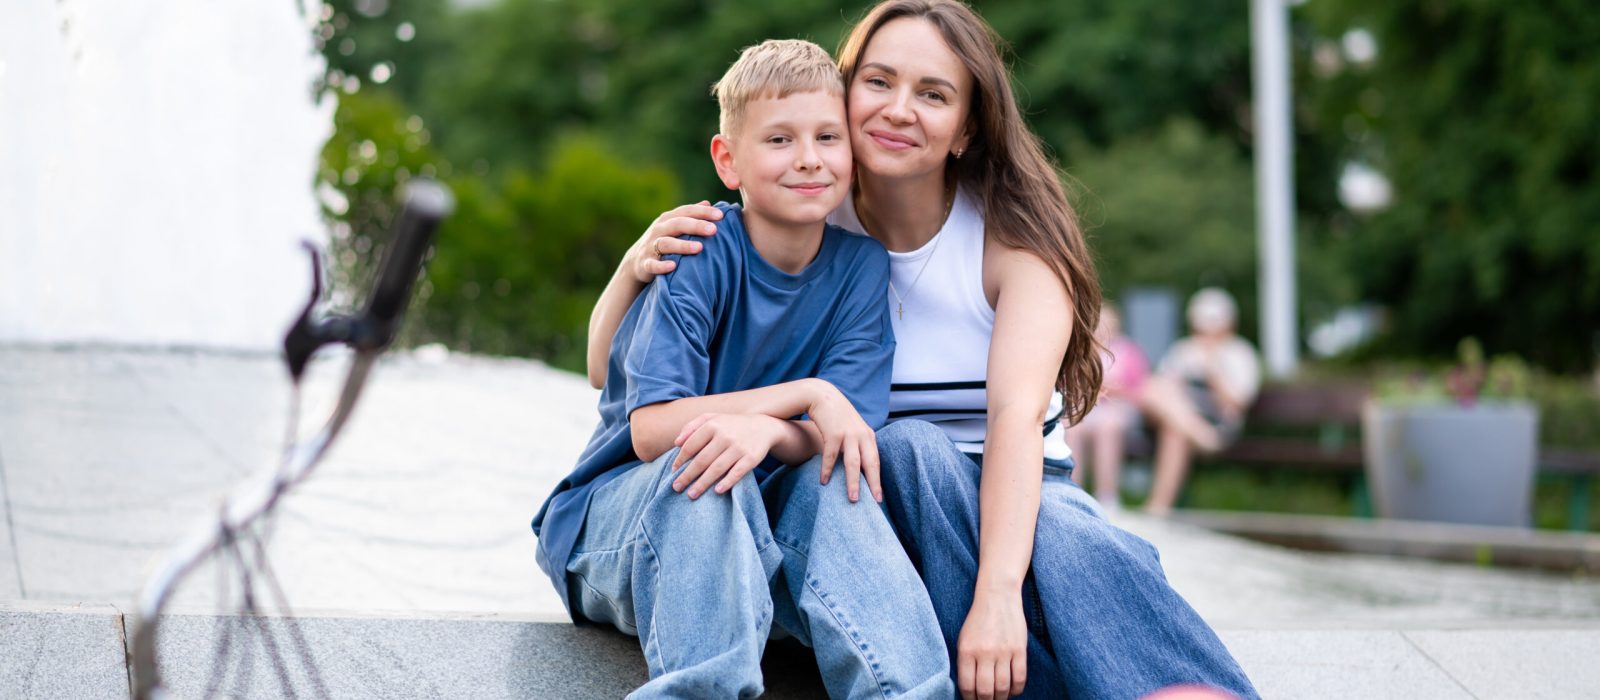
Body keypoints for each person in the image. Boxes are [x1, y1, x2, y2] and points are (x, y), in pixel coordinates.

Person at [587, 3, 1259, 698]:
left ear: (966, 127)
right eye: (878, 82)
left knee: (1057, 526)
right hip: (878, 500)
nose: (899, 110)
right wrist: (631, 268)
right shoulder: (808, 205)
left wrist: (997, 597)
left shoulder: (1014, 243)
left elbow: (1015, 422)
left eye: (932, 94)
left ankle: (1185, 688)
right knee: (905, 450)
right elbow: (616, 381)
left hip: (1020, 490)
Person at [532, 39, 951, 698]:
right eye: (780, 140)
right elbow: (649, 431)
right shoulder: (696, 248)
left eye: (827, 137)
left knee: (835, 478)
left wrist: (771, 431)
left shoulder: (860, 267)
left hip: (760, 536)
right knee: (709, 460)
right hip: (626, 523)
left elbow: (843, 433)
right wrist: (804, 396)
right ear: (729, 161)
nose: (809, 158)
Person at [1144, 287, 1262, 516]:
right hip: (1190, 423)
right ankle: (1201, 436)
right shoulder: (1183, 349)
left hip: (1218, 423)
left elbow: (1239, 404)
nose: (1207, 333)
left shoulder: (1240, 353)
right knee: (1154, 390)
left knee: (1174, 432)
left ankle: (1157, 508)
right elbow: (1161, 388)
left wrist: (1212, 372)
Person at [1066, 304, 1150, 509]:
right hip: (1086, 408)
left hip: (1119, 408)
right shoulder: (1080, 349)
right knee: (1072, 428)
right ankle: (1072, 491)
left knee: (1108, 427)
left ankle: (1107, 494)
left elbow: (1141, 389)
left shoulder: (1129, 351)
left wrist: (1107, 390)